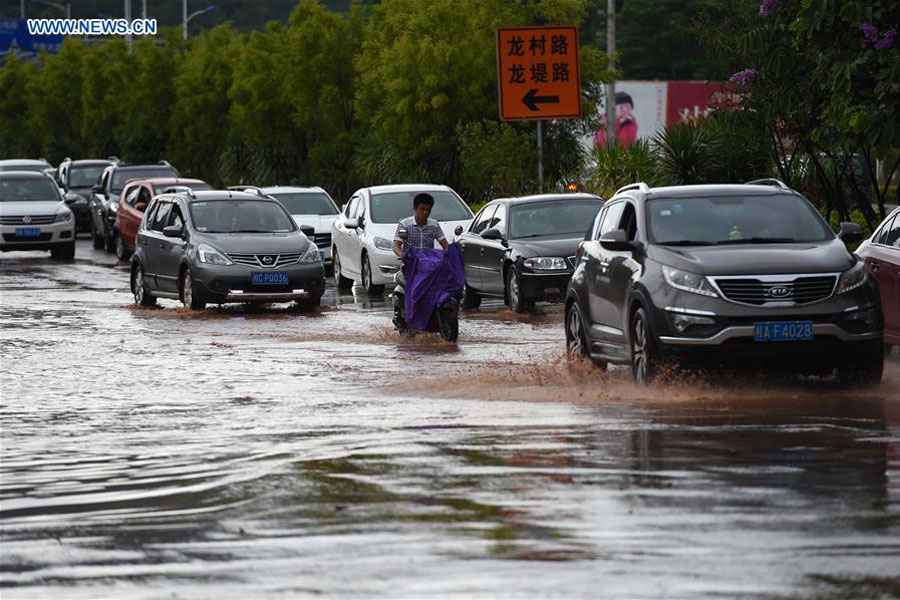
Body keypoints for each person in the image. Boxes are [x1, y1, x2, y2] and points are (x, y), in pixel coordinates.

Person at [392, 192, 448, 258]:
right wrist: (402, 255)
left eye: (428, 210)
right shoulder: (404, 224)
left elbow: (445, 244)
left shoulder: (434, 225)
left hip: (428, 261)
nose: (425, 212)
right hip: (411, 261)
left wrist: (448, 255)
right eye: (422, 209)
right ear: (415, 208)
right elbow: (396, 245)